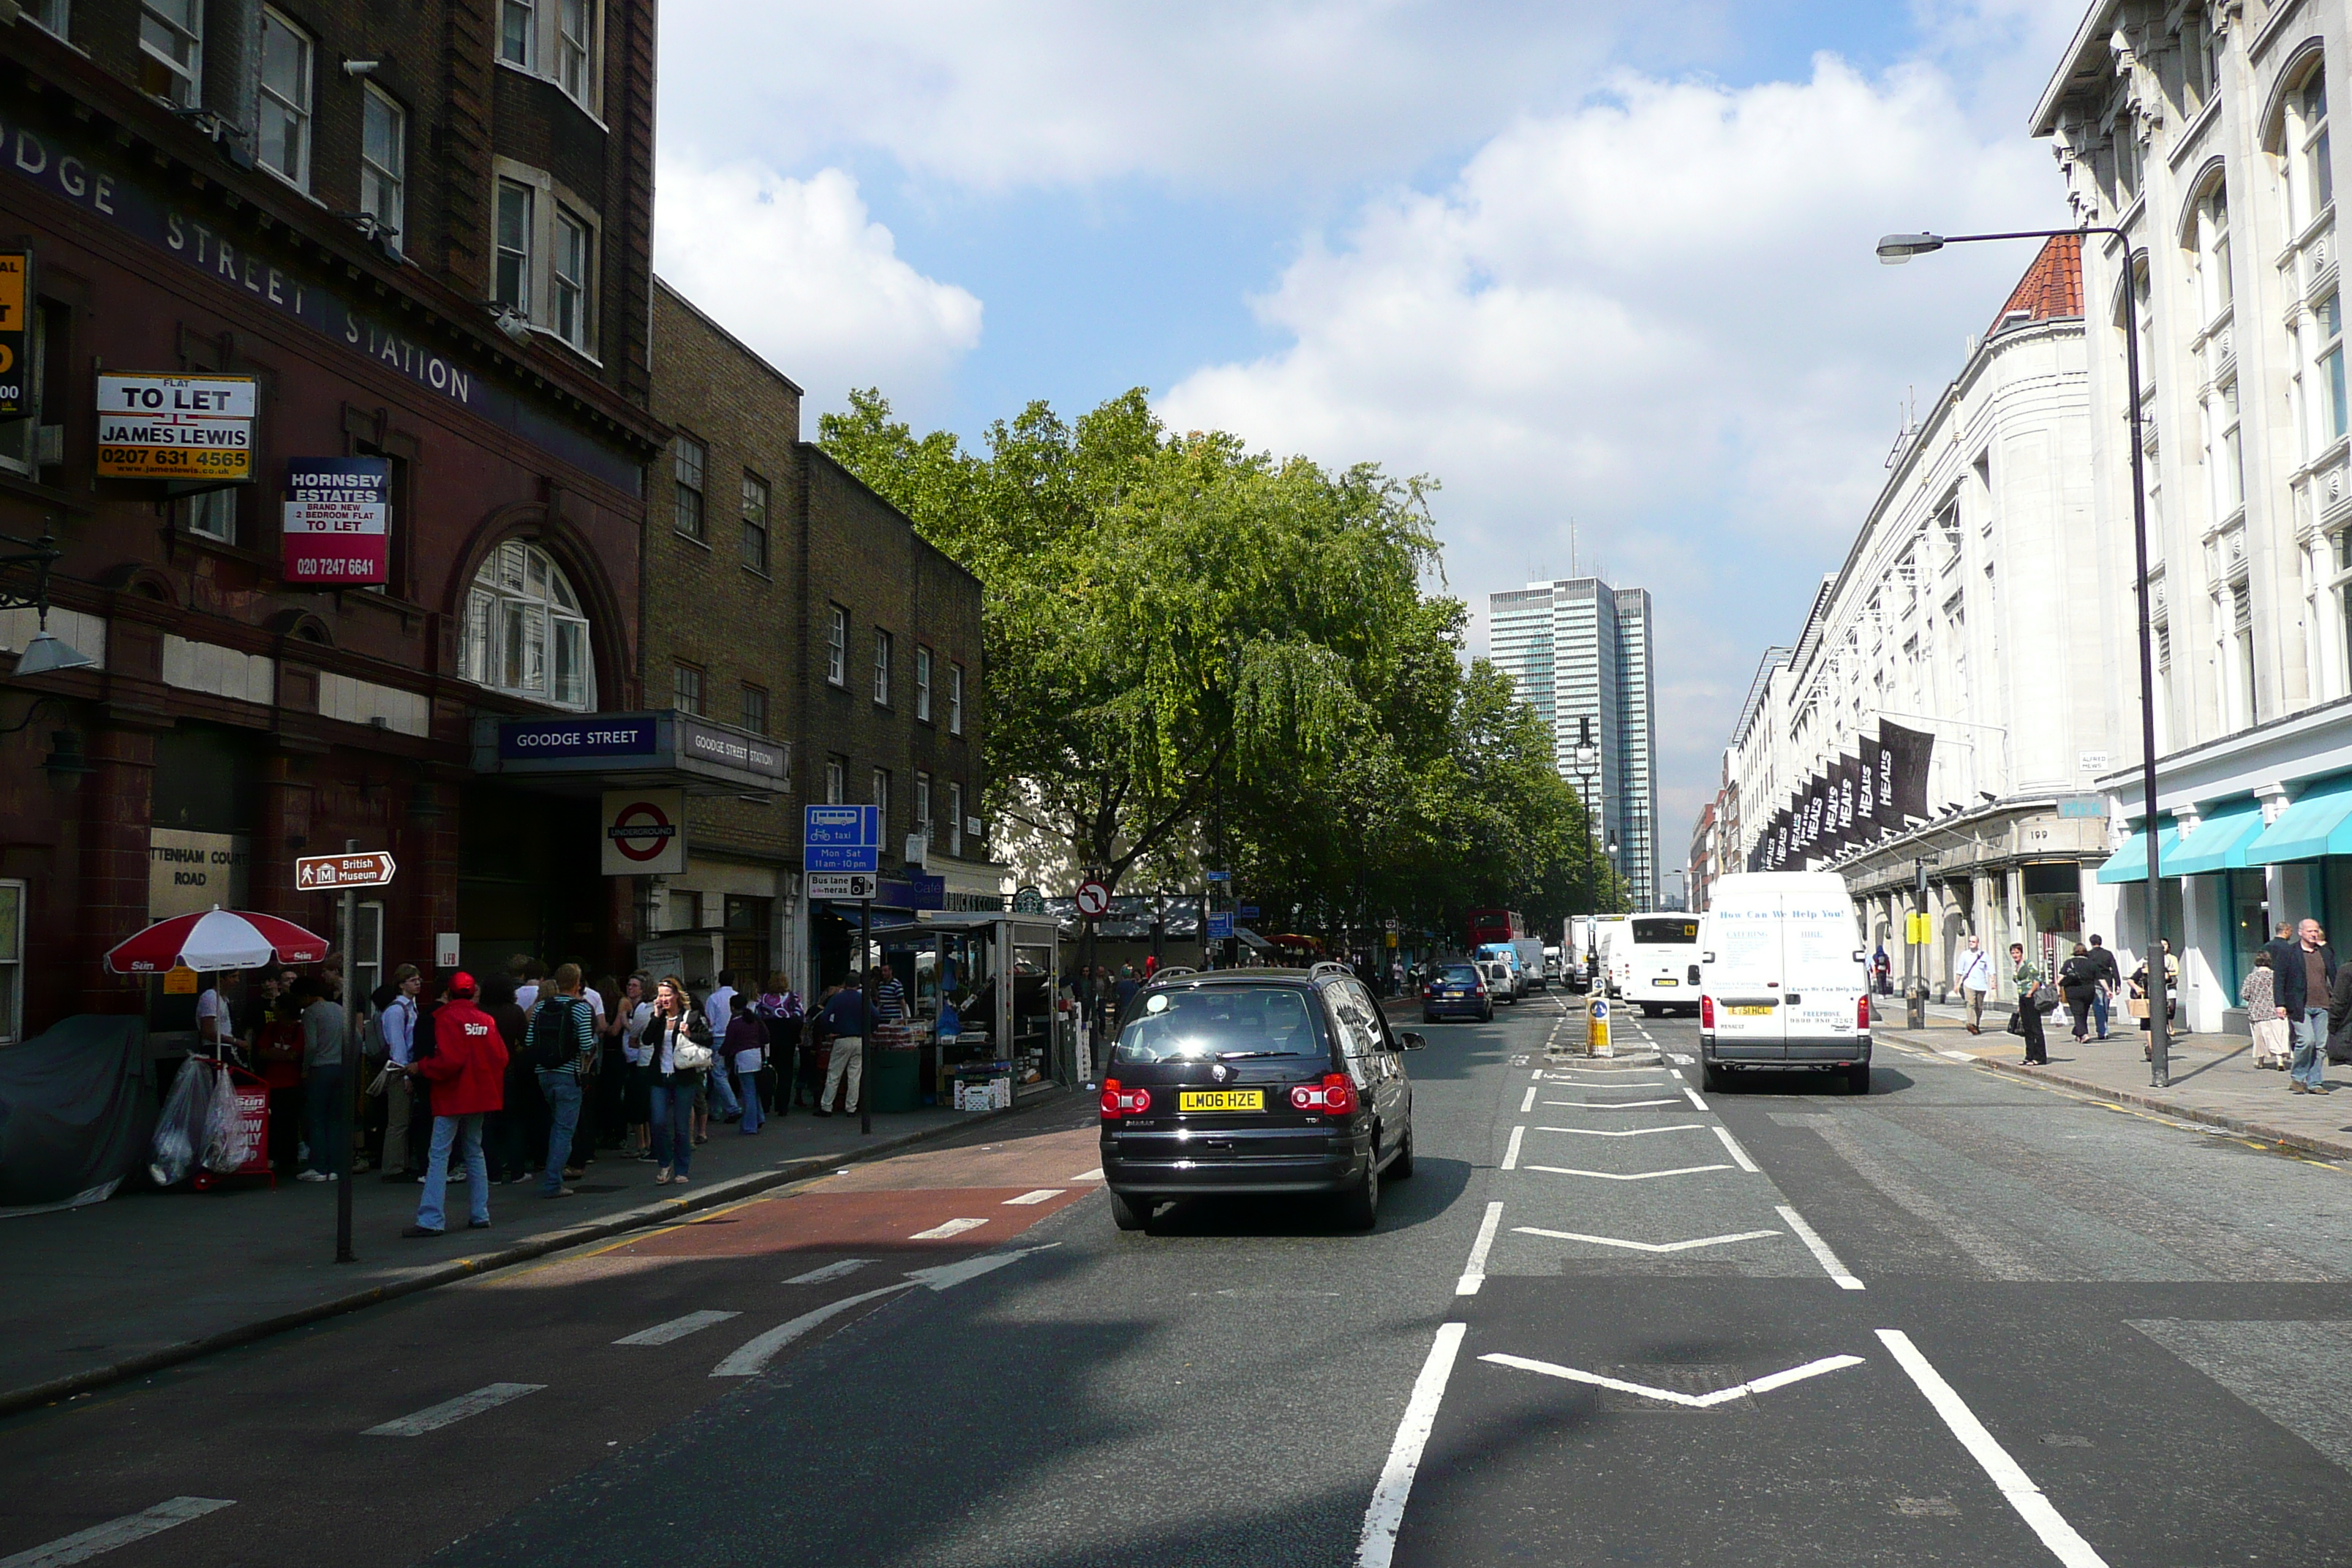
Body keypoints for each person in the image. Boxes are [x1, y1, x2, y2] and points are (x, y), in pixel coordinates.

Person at [404, 973, 505, 1237]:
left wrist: (421, 1066)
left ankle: (431, 1218)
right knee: (475, 1151)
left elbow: (449, 1060)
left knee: (439, 1155)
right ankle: (480, 1213)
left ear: (448, 993)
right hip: (481, 1094)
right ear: (473, 994)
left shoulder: (446, 1018)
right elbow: (501, 1057)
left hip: (452, 1095)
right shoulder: (486, 1020)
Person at [529, 964, 598, 1197]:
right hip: (569, 1074)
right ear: (578, 983)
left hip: (543, 1073)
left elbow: (530, 1042)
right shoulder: (581, 1008)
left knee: (555, 1124)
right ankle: (553, 1183)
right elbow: (587, 1045)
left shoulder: (541, 1007)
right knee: (563, 1129)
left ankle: (551, 1175)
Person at [641, 976, 709, 1184]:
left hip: (683, 1078)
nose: (663, 999)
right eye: (660, 996)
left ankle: (682, 1169)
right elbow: (646, 1040)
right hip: (660, 1077)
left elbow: (708, 1039)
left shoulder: (691, 1017)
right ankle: (664, 1164)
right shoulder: (659, 1019)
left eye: (667, 995)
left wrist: (689, 1033)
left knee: (681, 1126)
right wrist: (655, 1016)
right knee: (659, 1122)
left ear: (677, 996)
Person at [480, 976, 537, 1183]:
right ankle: (516, 1169)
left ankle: (492, 1171)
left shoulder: (480, 1012)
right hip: (508, 1070)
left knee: (487, 1124)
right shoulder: (514, 1012)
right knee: (513, 1121)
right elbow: (526, 1040)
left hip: (484, 1072)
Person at [295, 977, 349, 1181]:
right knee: (335, 1119)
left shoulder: (311, 1013)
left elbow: (311, 1045)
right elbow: (356, 1037)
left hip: (320, 1068)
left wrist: (305, 1068)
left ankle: (319, 1166)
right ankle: (335, 1167)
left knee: (316, 1118)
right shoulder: (339, 1008)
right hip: (341, 1066)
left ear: (307, 996)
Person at [377, 965, 424, 1180]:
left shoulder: (410, 1007)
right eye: (412, 980)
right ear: (401, 984)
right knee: (398, 1121)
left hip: (408, 1066)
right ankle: (393, 1167)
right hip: (400, 1068)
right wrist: (405, 1074)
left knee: (404, 1119)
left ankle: (401, 1163)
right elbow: (398, 1045)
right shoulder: (397, 1010)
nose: (418, 983)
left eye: (418, 979)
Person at [2290, 919, 2337, 1095]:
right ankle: (2297, 1077)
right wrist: (2280, 1004)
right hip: (2300, 1005)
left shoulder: (2324, 953)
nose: (2313, 934)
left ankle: (2315, 1083)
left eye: (2316, 931)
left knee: (2320, 1046)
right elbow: (2280, 979)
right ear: (2300, 932)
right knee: (2307, 1040)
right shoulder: (2291, 952)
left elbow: (2334, 976)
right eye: (2310, 931)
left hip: (2323, 1004)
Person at [815, 976, 869, 1117]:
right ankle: (851, 1108)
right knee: (854, 1076)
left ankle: (827, 1107)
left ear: (845, 984)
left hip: (841, 1038)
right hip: (859, 1039)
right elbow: (875, 1015)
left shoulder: (838, 998)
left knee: (834, 1074)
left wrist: (830, 1030)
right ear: (858, 985)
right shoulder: (862, 998)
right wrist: (867, 1030)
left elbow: (824, 1016)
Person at [754, 976, 803, 1115]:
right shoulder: (793, 997)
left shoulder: (762, 999)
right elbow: (801, 1017)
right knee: (786, 1072)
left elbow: (757, 1017)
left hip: (770, 1038)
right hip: (788, 1037)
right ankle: (782, 1106)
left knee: (768, 1070)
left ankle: (766, 1103)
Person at [702, 972, 745, 1126]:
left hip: (719, 1037)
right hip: (737, 1037)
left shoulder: (713, 998)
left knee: (718, 1074)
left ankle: (733, 1108)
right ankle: (715, 1109)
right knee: (722, 1074)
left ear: (718, 981)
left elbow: (710, 1020)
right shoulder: (737, 996)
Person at [724, 992, 769, 1134]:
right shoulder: (754, 1019)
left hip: (743, 1058)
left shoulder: (735, 1023)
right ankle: (759, 1117)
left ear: (732, 1007)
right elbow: (766, 1037)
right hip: (757, 1056)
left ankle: (750, 1126)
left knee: (748, 1093)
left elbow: (728, 1044)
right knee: (754, 1091)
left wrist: (721, 1054)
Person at [2248, 950, 2292, 1070]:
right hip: (2276, 1010)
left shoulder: (2252, 977)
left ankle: (2260, 1061)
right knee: (2277, 1036)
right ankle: (2279, 1060)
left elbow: (2245, 994)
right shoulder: (2276, 976)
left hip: (2257, 1012)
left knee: (2260, 1038)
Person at [2009, 942, 2048, 1066]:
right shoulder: (2016, 966)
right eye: (2013, 953)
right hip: (2022, 998)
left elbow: (2038, 979)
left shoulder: (2028, 964)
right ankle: (2029, 1056)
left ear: (2022, 953)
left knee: (2036, 1027)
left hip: (2031, 998)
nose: (2015, 955)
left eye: (2017, 952)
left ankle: (2041, 1057)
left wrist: (2030, 992)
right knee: (2027, 1029)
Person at [2058, 944, 2098, 1043]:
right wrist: (2108, 990)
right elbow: (2100, 978)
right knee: (2083, 1012)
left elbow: (2061, 977)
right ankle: (2078, 1032)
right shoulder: (2091, 963)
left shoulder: (2069, 962)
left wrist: (2058, 989)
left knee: (2077, 1013)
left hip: (2073, 991)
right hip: (2088, 991)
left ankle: (2084, 1034)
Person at [1954, 937, 1993, 1035]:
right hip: (1969, 983)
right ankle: (1972, 1024)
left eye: (1973, 942)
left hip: (1981, 984)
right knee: (1971, 1003)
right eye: (1970, 941)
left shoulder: (1984, 955)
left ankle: (1976, 1024)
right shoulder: (1964, 955)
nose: (1971, 943)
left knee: (1979, 1006)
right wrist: (1956, 984)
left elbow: (1991, 969)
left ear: (1978, 943)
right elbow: (1959, 970)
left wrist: (1993, 981)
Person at [2086, 936, 2121, 1040]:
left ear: (2091, 943)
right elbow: (2114, 969)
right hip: (2107, 981)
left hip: (2095, 982)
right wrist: (2117, 984)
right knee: (2105, 1007)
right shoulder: (2108, 954)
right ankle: (2103, 1028)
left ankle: (2102, 1030)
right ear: (2101, 942)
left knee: (2098, 1007)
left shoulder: (2089, 955)